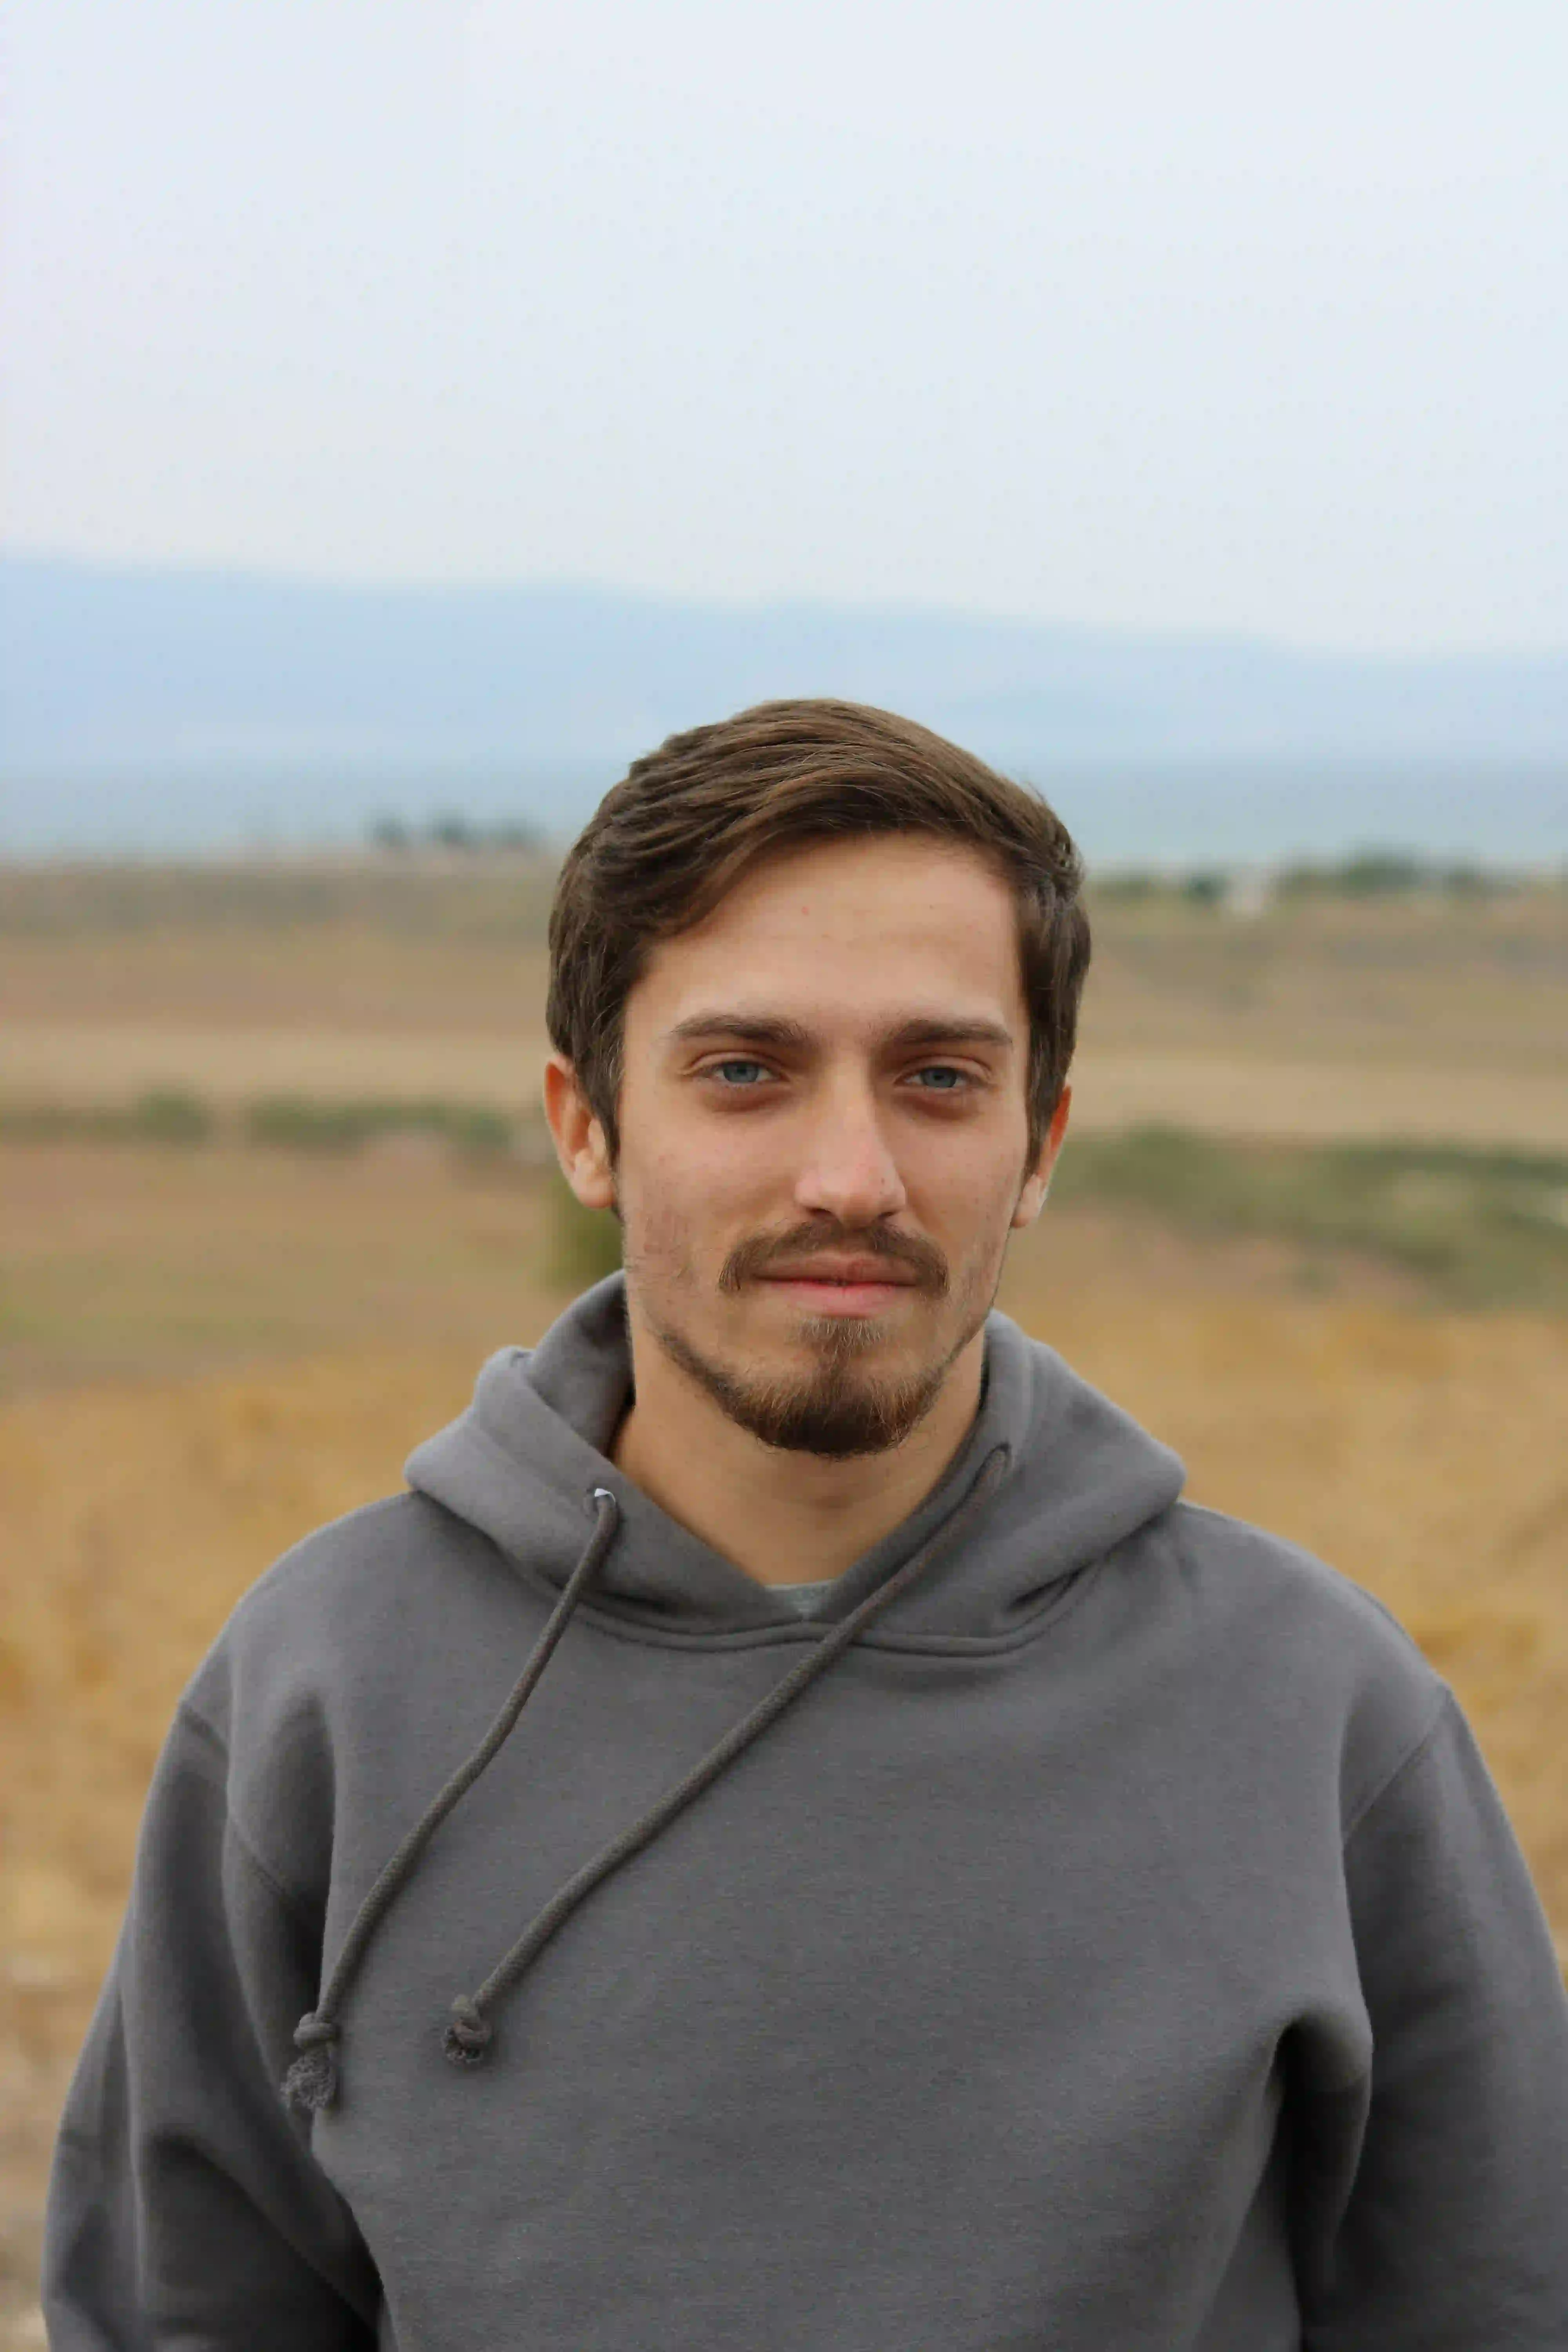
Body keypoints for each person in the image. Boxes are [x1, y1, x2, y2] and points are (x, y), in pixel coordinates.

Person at [44, 699, 1568, 2347]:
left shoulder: (1314, 1711)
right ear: (585, 1127)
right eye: (745, 1073)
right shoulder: (328, 1686)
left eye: (938, 1078)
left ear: (1039, 1144)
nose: (852, 1176)